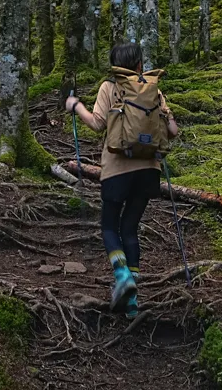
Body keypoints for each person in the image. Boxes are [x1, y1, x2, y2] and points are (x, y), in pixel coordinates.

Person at [64, 41, 179, 316]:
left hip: (117, 169)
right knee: (130, 229)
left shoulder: (109, 87)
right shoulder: (154, 89)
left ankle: (123, 277)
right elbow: (173, 131)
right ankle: (131, 302)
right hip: (148, 171)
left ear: (115, 64)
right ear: (139, 64)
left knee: (108, 228)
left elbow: (97, 124)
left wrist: (75, 105)